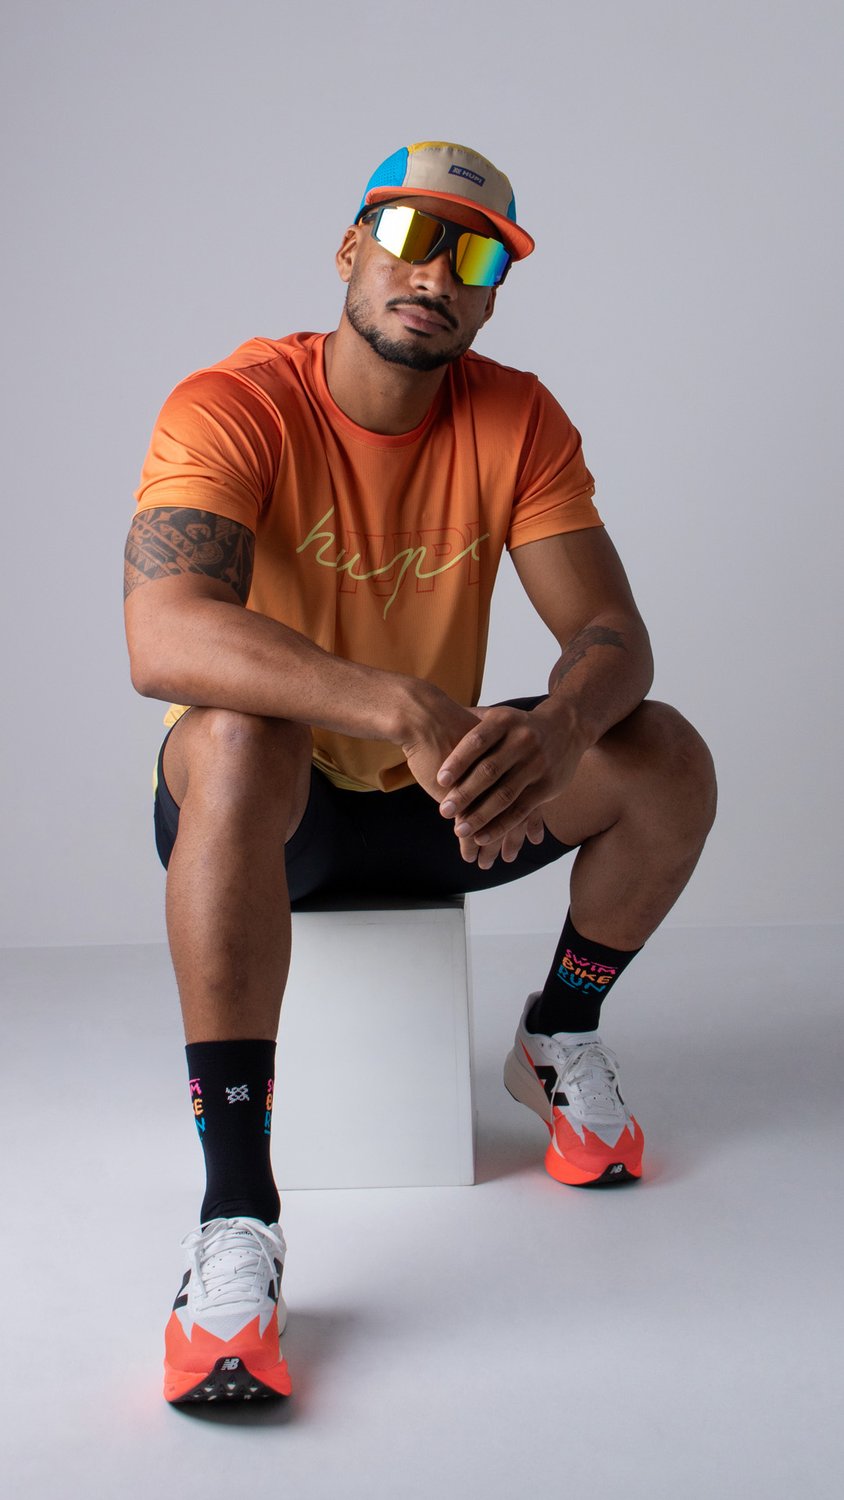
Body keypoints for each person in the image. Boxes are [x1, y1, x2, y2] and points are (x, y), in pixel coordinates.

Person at [124, 140, 716, 1405]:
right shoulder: (232, 403)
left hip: (439, 800)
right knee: (234, 734)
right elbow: (163, 635)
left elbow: (611, 636)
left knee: (661, 753)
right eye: (409, 237)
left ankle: (557, 1035)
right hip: (268, 814)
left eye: (477, 257)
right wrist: (394, 701)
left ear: (493, 297)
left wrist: (557, 730)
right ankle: (236, 1218)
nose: (438, 274)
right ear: (351, 250)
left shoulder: (517, 416)